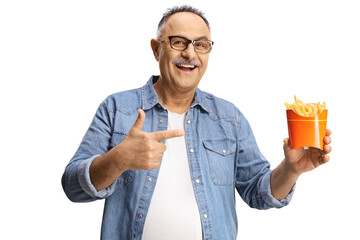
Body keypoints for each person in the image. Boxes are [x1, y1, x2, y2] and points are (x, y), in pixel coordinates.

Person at [61, 5, 332, 240]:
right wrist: (117, 159)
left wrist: (291, 169)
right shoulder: (117, 109)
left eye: (201, 44)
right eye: (179, 42)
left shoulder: (229, 118)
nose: (190, 54)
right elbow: (72, 186)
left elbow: (258, 192)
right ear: (156, 49)